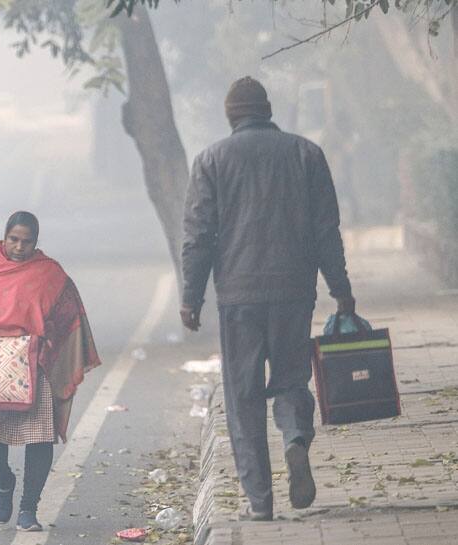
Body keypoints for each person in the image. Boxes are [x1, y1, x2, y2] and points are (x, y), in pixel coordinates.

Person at [179, 77, 355, 521]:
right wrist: (341, 289)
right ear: (268, 109)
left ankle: (260, 502)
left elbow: (199, 235)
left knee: (243, 396)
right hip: (294, 291)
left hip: (238, 296)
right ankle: (295, 437)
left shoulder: (211, 160)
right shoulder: (305, 154)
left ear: (230, 115)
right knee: (293, 379)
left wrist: (191, 297)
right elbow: (325, 231)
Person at [0, 211, 100, 532]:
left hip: (36, 366)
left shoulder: (49, 274)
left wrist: (51, 341)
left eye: (26, 241)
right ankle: (4, 481)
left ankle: (29, 510)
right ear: (4, 237)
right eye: (13, 239)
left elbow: (69, 310)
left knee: (40, 438)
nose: (19, 247)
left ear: (36, 242)